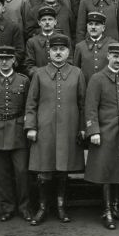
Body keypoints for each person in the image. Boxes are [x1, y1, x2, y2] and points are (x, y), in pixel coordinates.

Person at [25, 34, 86, 225]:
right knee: (44, 170)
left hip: (68, 128)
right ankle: (43, 207)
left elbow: (83, 103)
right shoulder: (39, 74)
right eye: (54, 49)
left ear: (68, 52)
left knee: (62, 170)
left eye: (62, 49)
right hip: (45, 129)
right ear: (49, 52)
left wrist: (83, 127)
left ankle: (61, 206)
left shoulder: (77, 73)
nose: (58, 53)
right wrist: (31, 127)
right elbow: (31, 103)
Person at [84, 42, 119, 229]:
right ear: (108, 56)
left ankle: (115, 208)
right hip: (105, 133)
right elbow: (90, 107)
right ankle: (106, 210)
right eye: (115, 56)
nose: (118, 60)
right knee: (106, 172)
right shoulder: (97, 79)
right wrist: (94, 131)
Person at [0, 46, 31, 222]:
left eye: (8, 58)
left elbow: (28, 108)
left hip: (18, 131)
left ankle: (24, 207)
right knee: (2, 173)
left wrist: (28, 128)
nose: (4, 62)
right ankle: (7, 208)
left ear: (14, 61)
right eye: (0, 58)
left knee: (22, 172)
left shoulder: (23, 81)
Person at [25, 6, 72, 77]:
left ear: (55, 22)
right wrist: (41, 74)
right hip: (40, 79)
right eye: (44, 20)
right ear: (39, 23)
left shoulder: (65, 39)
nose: (47, 22)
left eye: (50, 19)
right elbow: (29, 66)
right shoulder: (32, 42)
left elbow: (69, 61)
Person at [73, 11, 115, 84]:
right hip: (87, 88)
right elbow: (76, 72)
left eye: (97, 24)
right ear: (87, 26)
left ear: (103, 28)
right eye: (90, 24)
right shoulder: (80, 46)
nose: (93, 27)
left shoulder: (112, 44)